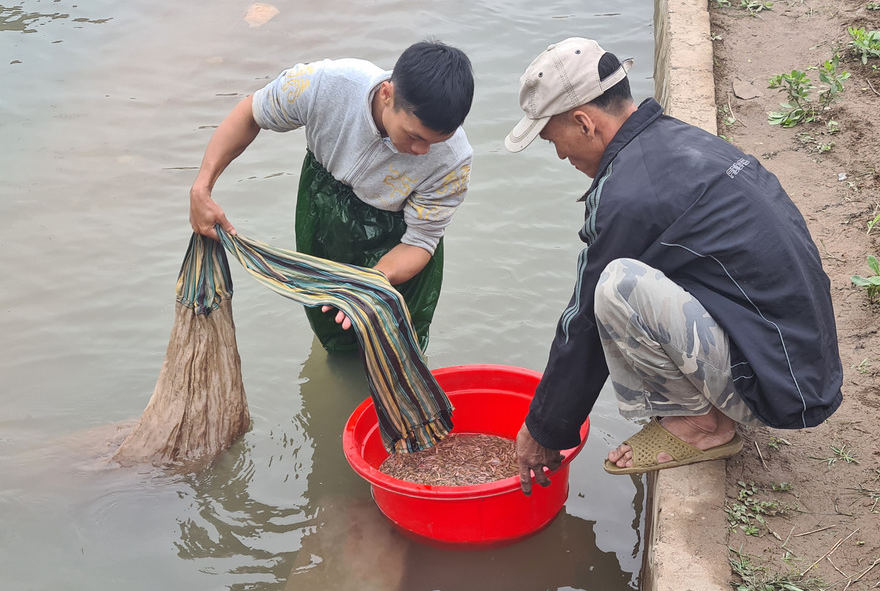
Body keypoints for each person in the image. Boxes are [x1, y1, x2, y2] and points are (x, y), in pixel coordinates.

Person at [504, 37, 843, 494]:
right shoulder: (678, 143)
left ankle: (703, 427)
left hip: (780, 385)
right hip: (799, 360)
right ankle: (710, 407)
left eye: (553, 140)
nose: (561, 155)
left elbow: (582, 318)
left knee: (616, 287)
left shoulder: (628, 195)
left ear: (583, 122)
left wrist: (543, 430)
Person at [189, 40, 474, 352]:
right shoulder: (327, 85)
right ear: (387, 94)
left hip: (398, 237)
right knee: (332, 333)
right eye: (414, 136)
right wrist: (202, 187)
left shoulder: (454, 160)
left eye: (437, 141)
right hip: (324, 208)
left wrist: (370, 281)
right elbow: (252, 112)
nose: (422, 151)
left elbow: (421, 241)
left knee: (397, 343)